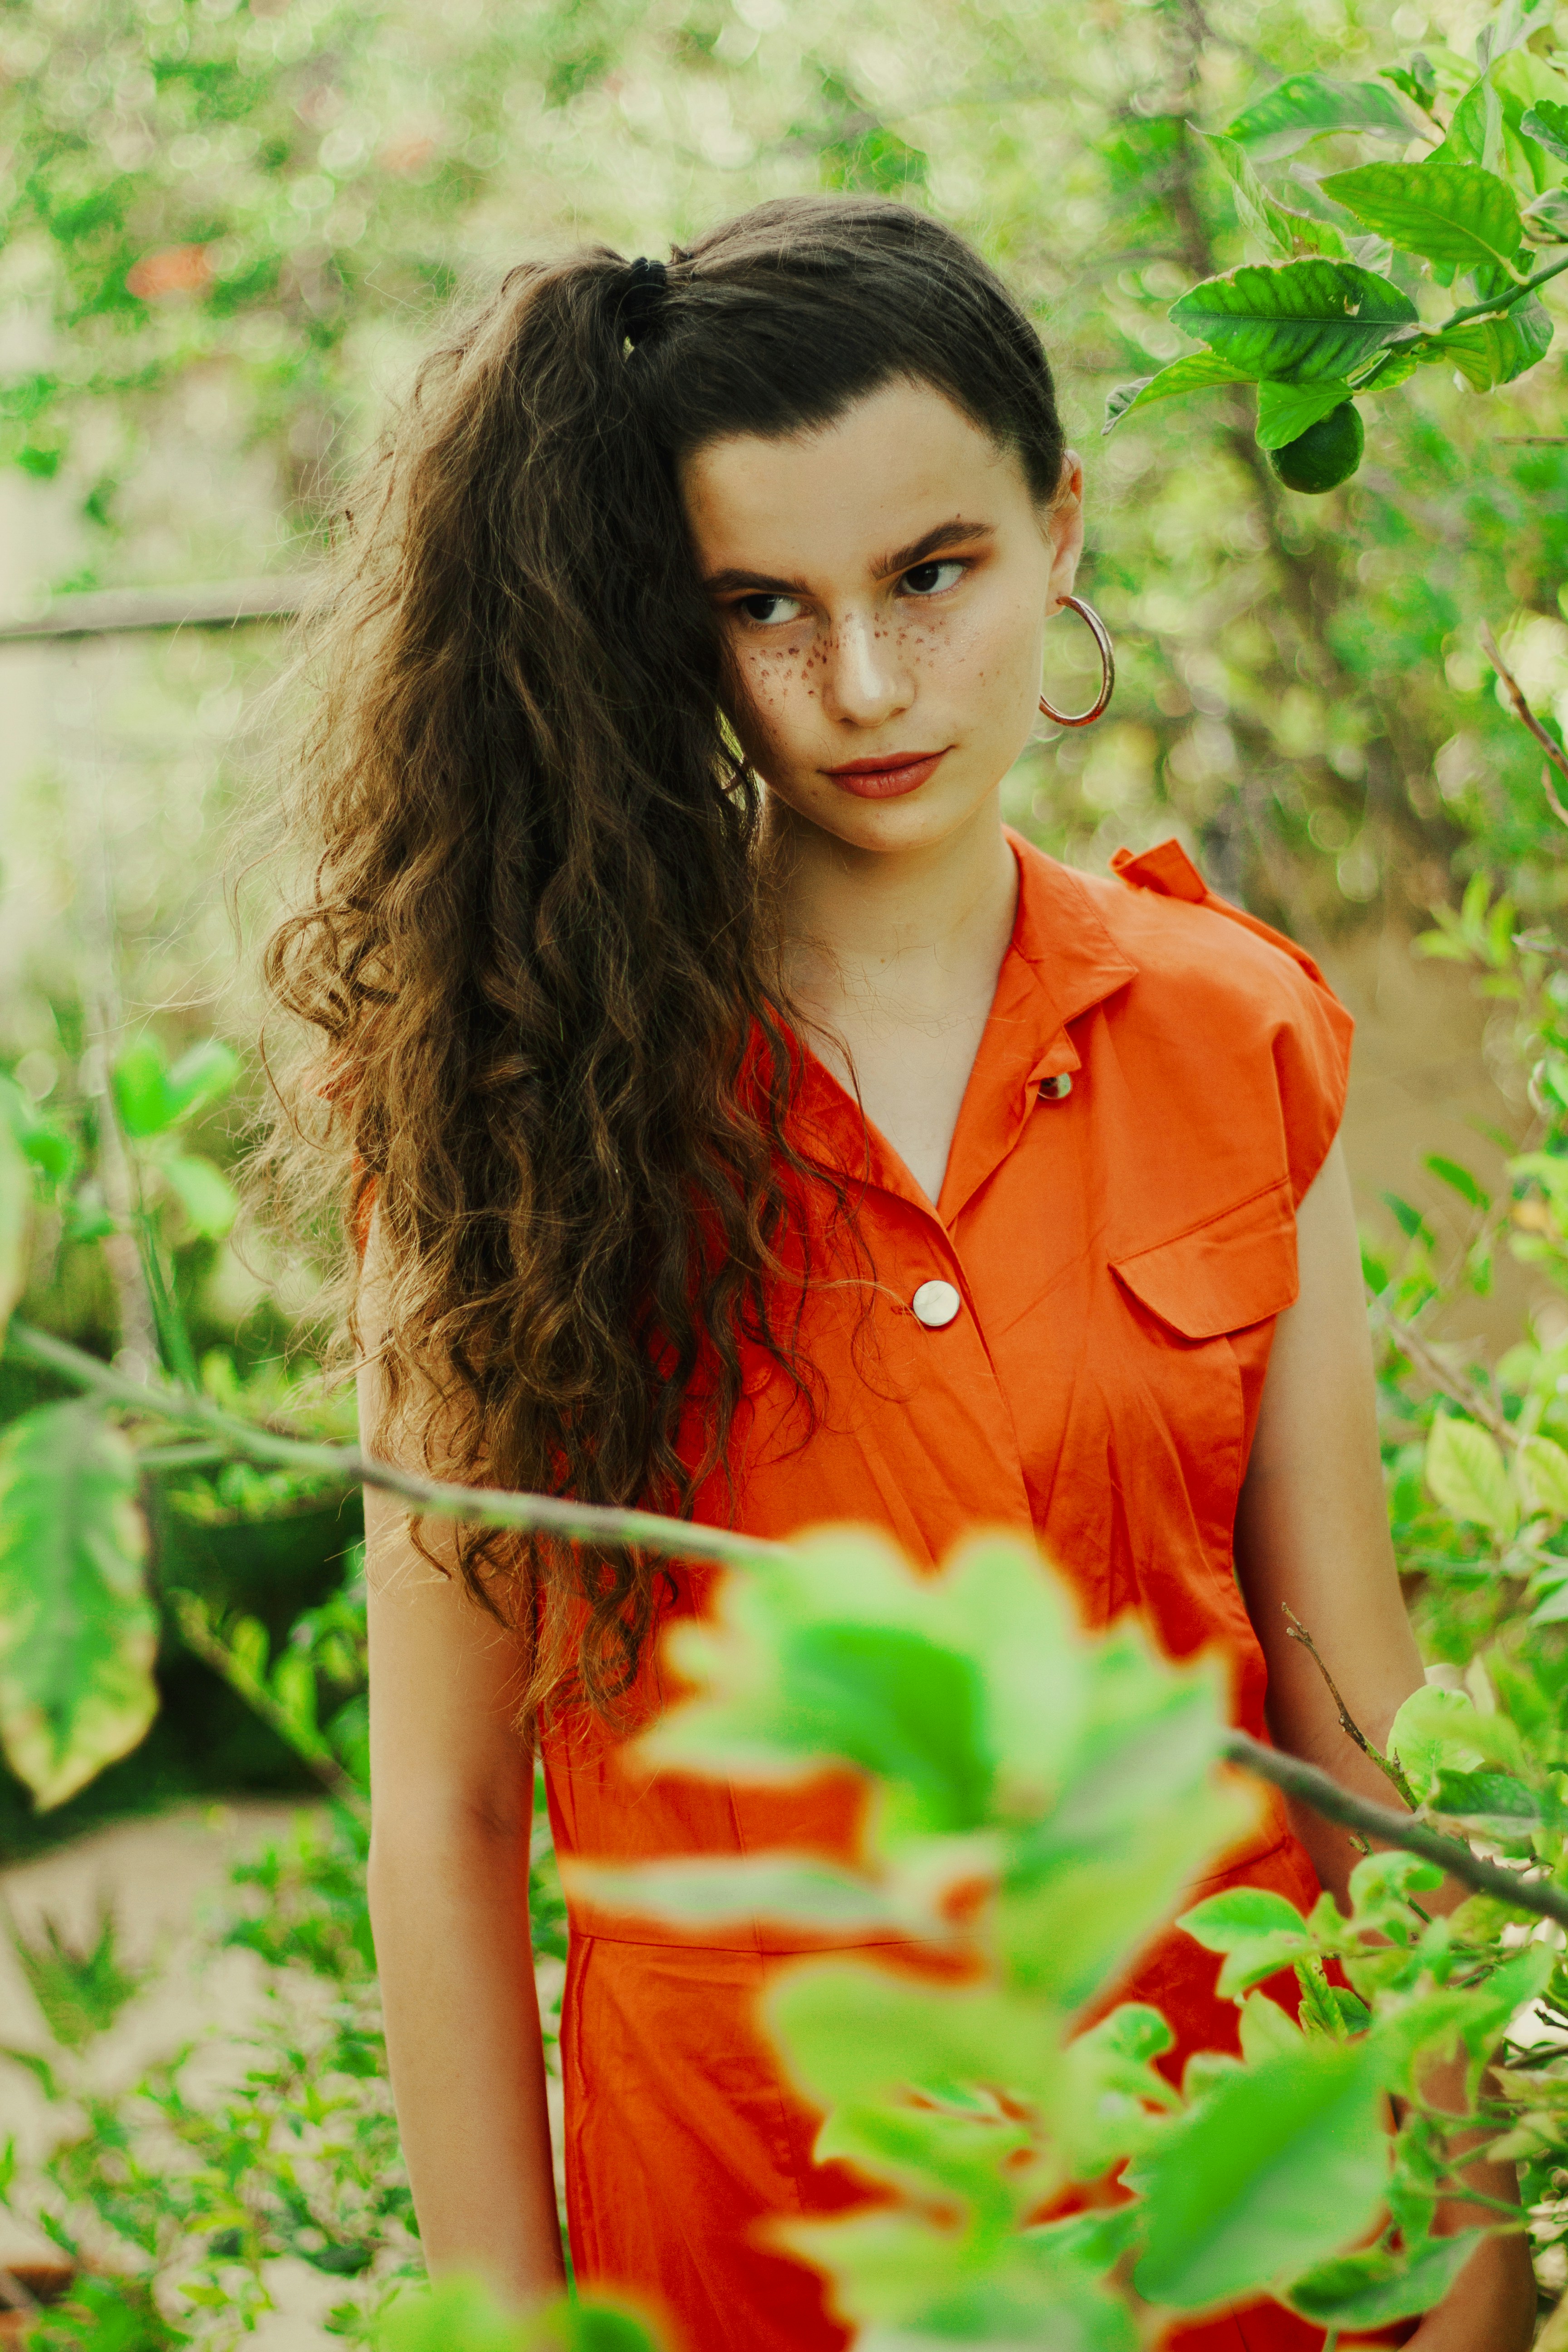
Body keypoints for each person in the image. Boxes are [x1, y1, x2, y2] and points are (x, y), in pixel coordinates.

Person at [263, 195, 1536, 2352]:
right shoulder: (505, 1110)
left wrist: (1475, 2223)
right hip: (762, 2240)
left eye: (929, 577)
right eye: (762, 607)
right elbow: (452, 1811)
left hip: (1235, 2201)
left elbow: (1346, 1695)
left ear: (1058, 528)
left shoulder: (1240, 1033)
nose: (864, 686)